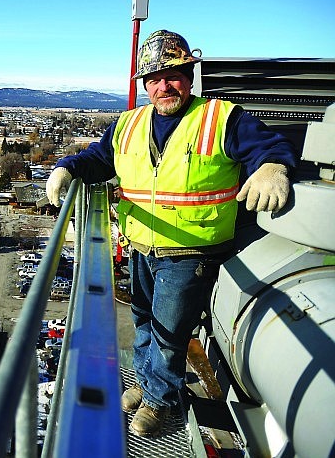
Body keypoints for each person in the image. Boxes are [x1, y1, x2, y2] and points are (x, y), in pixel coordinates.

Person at [45, 30, 298, 437]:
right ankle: (149, 386)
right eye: (155, 79)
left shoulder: (220, 117)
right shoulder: (129, 123)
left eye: (174, 75)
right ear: (145, 85)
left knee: (168, 331)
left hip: (192, 251)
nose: (164, 86)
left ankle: (162, 403)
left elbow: (265, 145)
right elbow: (98, 157)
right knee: (144, 320)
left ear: (189, 76)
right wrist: (69, 167)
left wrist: (273, 167)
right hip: (141, 243)